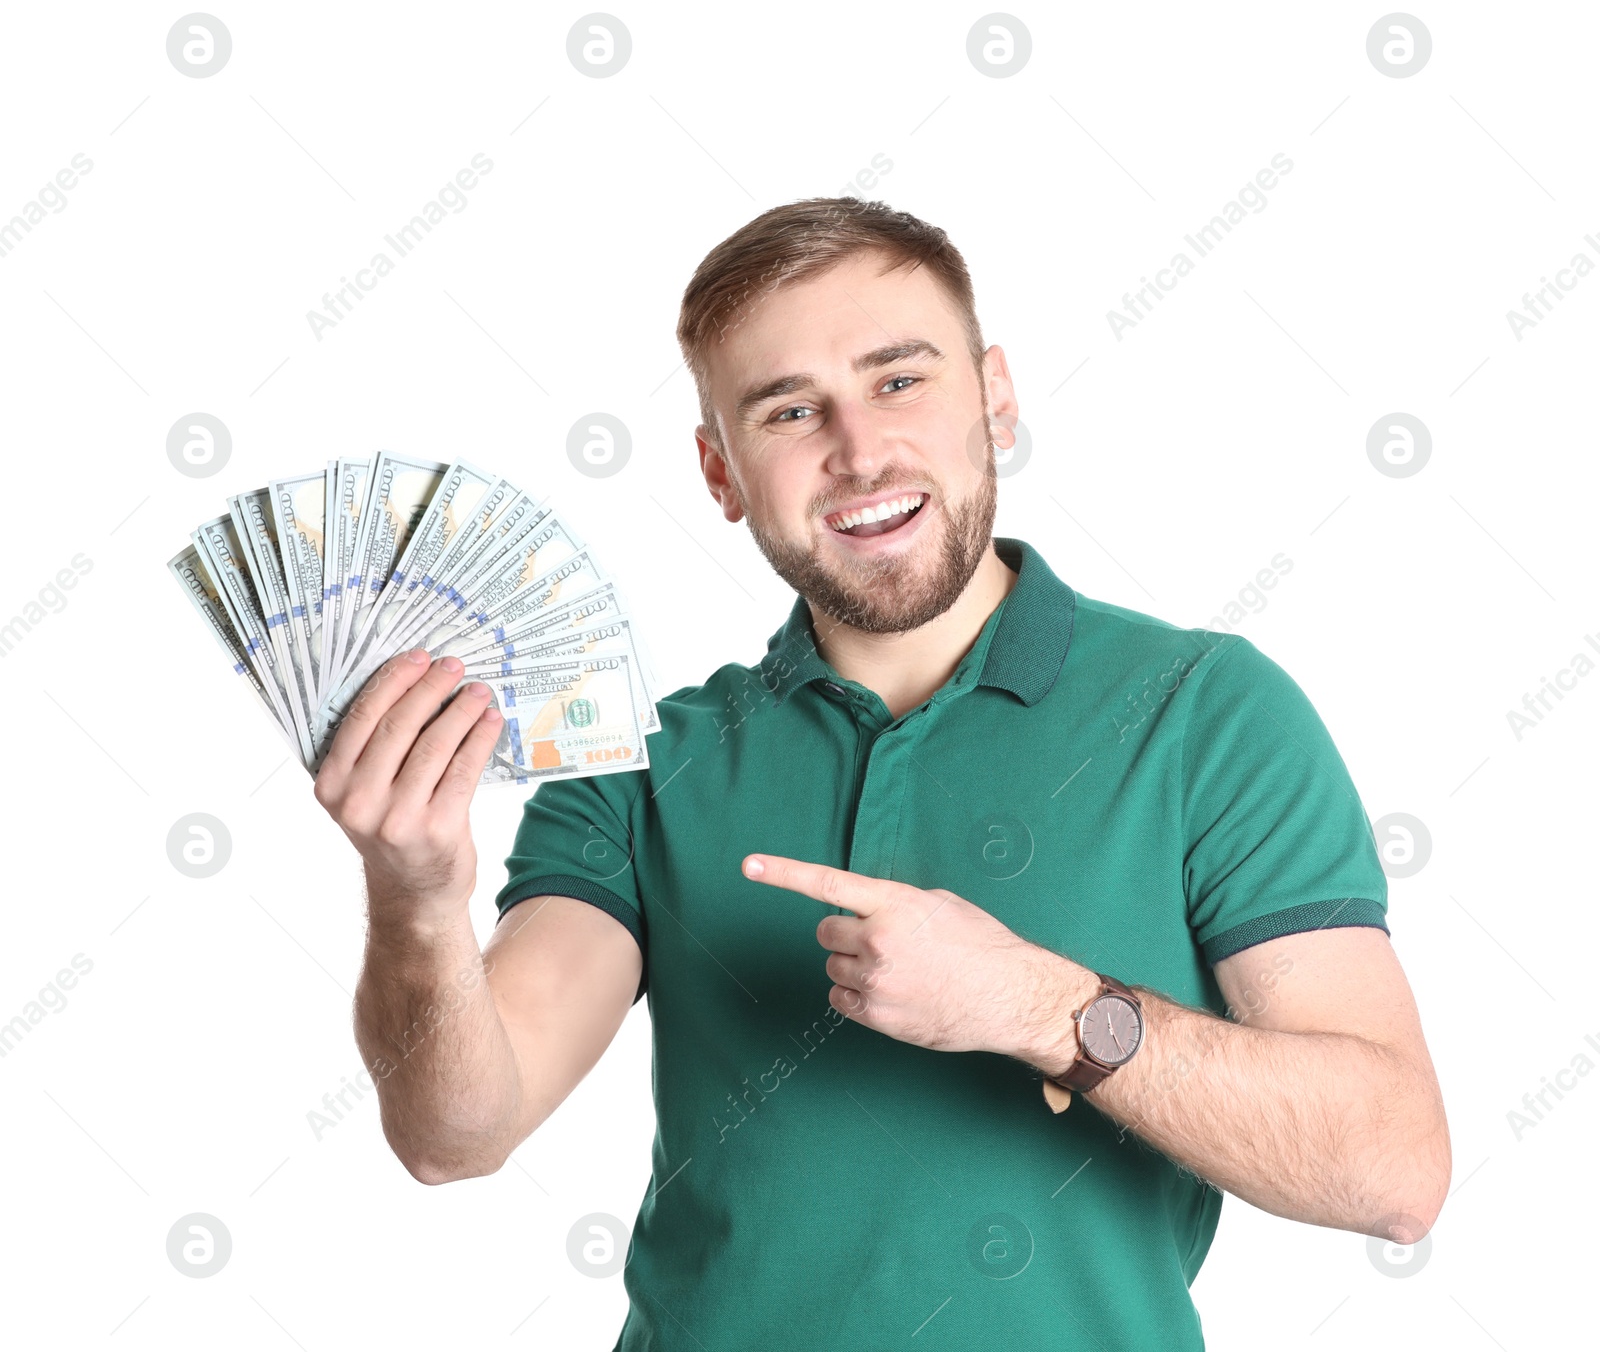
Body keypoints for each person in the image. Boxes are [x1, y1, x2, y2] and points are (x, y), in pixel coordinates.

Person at [312, 198, 1450, 1349]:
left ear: (994, 396)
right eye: (790, 409)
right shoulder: (638, 759)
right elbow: (454, 1132)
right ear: (721, 471)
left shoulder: (1206, 710)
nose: (858, 450)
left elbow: (1392, 1169)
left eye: (899, 379)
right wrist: (412, 898)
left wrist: (1037, 1005)